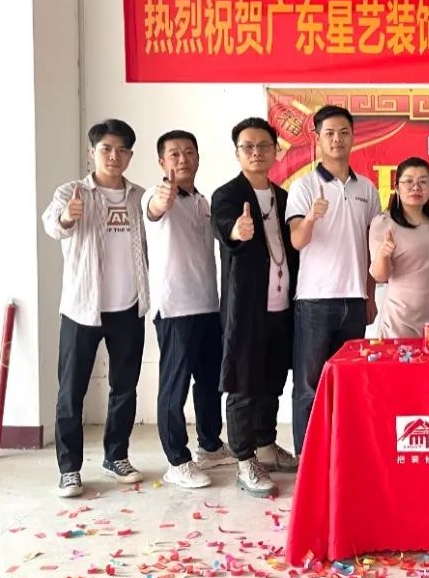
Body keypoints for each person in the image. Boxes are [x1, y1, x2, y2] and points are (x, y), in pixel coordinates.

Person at [41, 119, 148, 498]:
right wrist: (68, 216)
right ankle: (69, 468)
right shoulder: (72, 192)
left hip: (128, 307)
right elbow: (53, 225)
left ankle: (116, 456)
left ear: (130, 155)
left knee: (125, 388)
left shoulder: (138, 197)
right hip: (82, 309)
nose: (114, 156)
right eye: (106, 149)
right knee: (71, 392)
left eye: (122, 150)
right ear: (92, 152)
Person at [142, 130, 234, 490]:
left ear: (198, 157)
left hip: (208, 304)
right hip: (175, 307)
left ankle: (210, 445)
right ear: (162, 162)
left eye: (189, 153)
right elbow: (154, 209)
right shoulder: (157, 195)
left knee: (210, 383)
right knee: (174, 386)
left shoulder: (202, 201)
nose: (183, 159)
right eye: (174, 154)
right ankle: (176, 461)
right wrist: (162, 198)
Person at [211, 117, 299, 497]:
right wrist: (237, 230)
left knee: (272, 381)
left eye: (264, 145)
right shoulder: (228, 195)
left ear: (275, 151)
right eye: (248, 146)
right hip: (246, 310)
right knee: (243, 386)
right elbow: (225, 226)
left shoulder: (284, 197)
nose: (257, 152)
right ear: (237, 153)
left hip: (282, 307)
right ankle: (244, 459)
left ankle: (266, 445)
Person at [287, 105, 380, 453]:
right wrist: (311, 218)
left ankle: (343, 452)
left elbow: (372, 247)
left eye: (344, 133)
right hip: (315, 301)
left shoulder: (367, 188)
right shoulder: (304, 186)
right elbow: (297, 241)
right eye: (329, 133)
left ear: (353, 137)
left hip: (354, 300)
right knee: (309, 385)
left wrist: (370, 296)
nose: (337, 139)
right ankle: (306, 456)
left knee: (350, 382)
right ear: (317, 138)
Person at [368, 157, 429, 337]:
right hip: (399, 320)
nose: (416, 188)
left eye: (423, 182)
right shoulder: (384, 223)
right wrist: (383, 255)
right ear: (397, 187)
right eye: (408, 181)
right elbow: (380, 276)